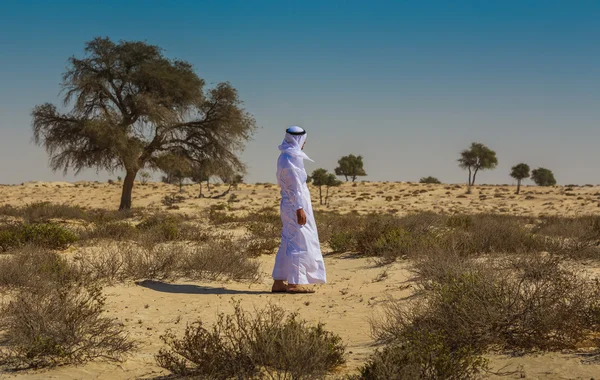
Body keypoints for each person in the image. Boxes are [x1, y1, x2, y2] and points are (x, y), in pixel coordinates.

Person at [272, 126, 326, 293]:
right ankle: (294, 283)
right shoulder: (291, 157)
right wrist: (299, 208)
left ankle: (279, 282)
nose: (304, 143)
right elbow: (294, 186)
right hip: (295, 205)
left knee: (288, 240)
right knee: (299, 241)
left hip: (291, 204)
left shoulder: (285, 155)